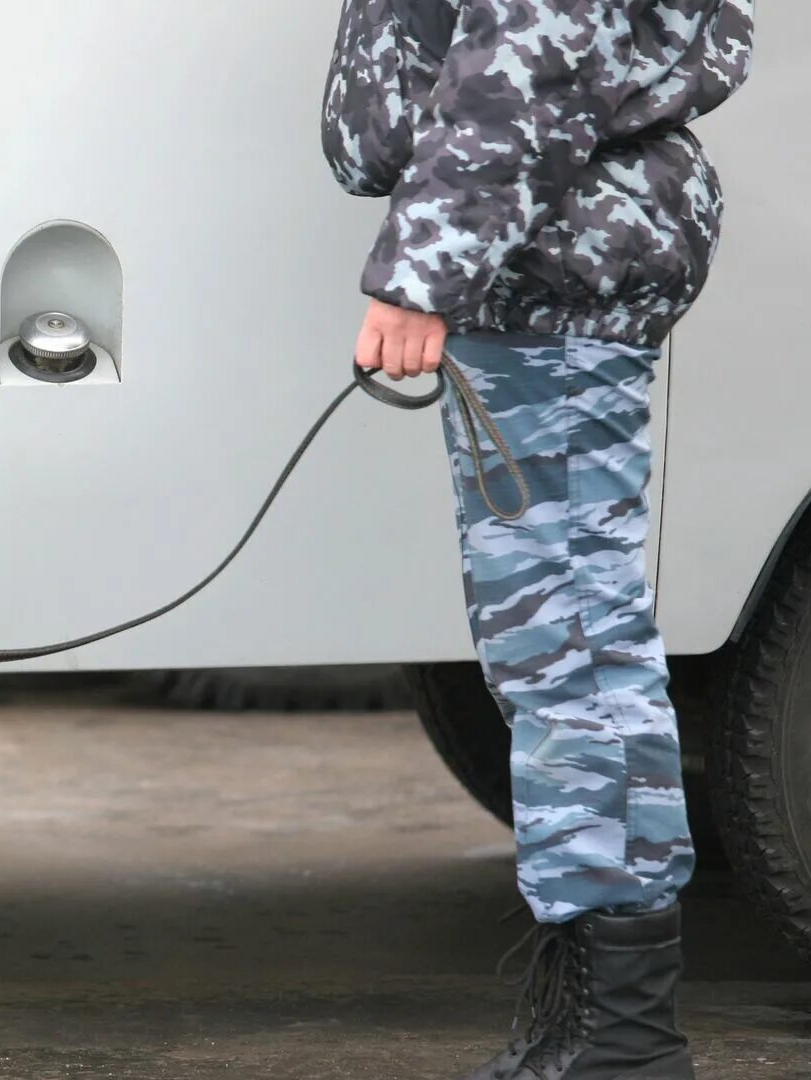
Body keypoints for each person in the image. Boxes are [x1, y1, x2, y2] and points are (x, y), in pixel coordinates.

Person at [321, 2, 755, 1078]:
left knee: (570, 639)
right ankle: (599, 1023)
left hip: (553, 262)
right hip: (543, 261)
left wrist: (422, 271)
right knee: (562, 644)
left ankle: (622, 1040)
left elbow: (529, 47)